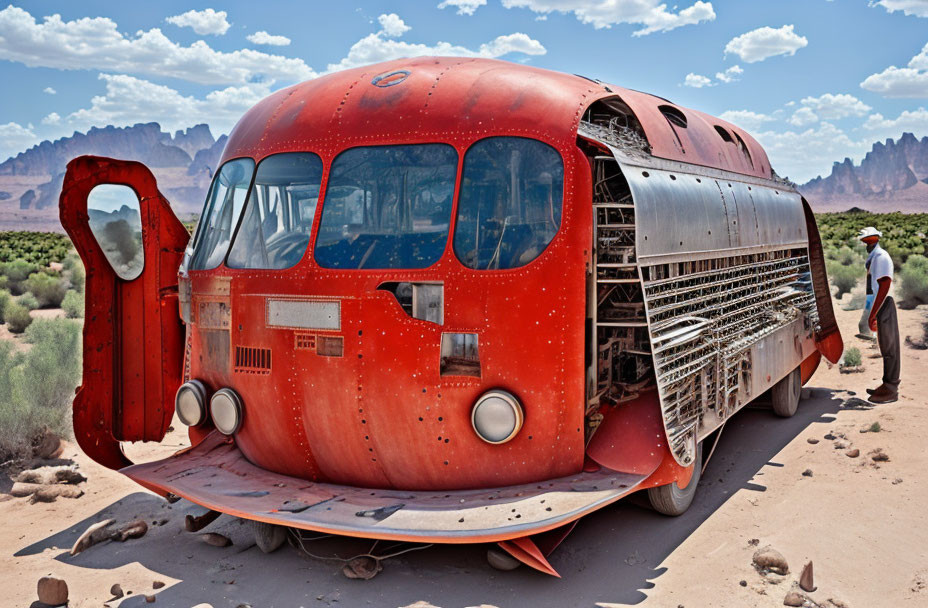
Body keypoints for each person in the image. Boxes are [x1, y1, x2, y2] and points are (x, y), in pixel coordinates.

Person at [858, 227, 899, 403]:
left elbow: (884, 284)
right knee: (885, 345)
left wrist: (873, 313)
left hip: (884, 304)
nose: (867, 244)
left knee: (889, 347)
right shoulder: (875, 257)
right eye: (866, 241)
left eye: (869, 241)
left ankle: (891, 388)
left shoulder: (880, 257)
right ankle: (886, 385)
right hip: (880, 304)